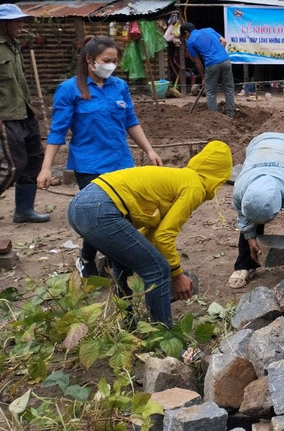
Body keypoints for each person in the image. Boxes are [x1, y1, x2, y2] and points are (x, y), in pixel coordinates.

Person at [66, 140, 232, 328]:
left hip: (80, 204)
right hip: (100, 210)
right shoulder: (195, 186)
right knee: (158, 269)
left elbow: (152, 233)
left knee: (125, 261)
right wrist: (177, 276)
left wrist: (147, 256)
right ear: (220, 176)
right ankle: (162, 333)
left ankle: (128, 322)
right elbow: (164, 236)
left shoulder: (179, 177)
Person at [37, 35, 163, 277]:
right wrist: (46, 167)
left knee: (119, 216)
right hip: (89, 165)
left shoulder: (119, 87)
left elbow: (131, 122)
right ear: (89, 60)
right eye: (107, 60)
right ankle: (116, 269)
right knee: (102, 217)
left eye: (115, 61)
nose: (111, 65)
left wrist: (149, 149)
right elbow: (57, 132)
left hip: (121, 162)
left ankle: (89, 259)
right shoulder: (69, 90)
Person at [0, 4, 51, 225]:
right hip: (3, 117)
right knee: (13, 165)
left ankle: (24, 210)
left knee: (34, 161)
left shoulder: (13, 46)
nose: (22, 25)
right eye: (17, 21)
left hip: (24, 113)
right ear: (2, 24)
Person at [228, 132, 284, 289]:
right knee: (254, 209)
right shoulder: (240, 189)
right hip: (259, 146)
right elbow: (244, 216)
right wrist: (250, 236)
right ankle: (246, 264)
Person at [181, 22, 235, 117]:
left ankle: (215, 117)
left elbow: (197, 62)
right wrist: (218, 52)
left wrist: (203, 78)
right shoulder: (209, 30)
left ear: (186, 32)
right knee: (229, 89)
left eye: (185, 36)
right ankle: (230, 114)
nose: (186, 38)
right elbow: (224, 41)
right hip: (226, 61)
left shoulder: (190, 41)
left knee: (210, 92)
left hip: (212, 64)